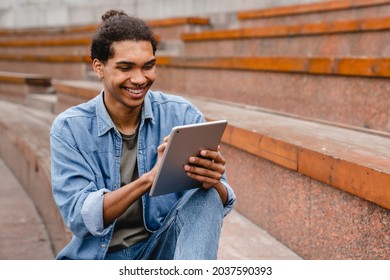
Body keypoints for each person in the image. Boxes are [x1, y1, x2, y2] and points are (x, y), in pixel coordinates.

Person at [50, 9, 236, 260]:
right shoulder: (70, 129)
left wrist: (212, 180)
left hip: (162, 251)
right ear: (99, 67)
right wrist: (149, 180)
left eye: (148, 66)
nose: (140, 79)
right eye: (126, 68)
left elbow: (222, 199)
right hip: (100, 258)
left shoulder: (181, 114)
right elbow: (78, 217)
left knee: (206, 197)